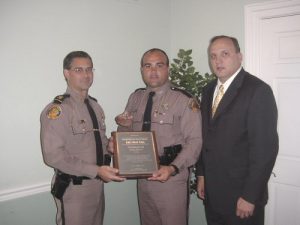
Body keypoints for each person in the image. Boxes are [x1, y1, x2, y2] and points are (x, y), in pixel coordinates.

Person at [196, 35, 279, 225]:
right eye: (213, 56)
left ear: (239, 56)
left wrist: (250, 196)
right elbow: (205, 136)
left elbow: (265, 150)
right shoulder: (208, 90)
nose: (218, 61)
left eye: (225, 54)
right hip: (213, 194)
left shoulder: (258, 90)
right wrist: (201, 174)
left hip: (241, 198)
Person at [114, 48, 203, 225]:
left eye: (159, 65)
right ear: (142, 70)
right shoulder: (135, 97)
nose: (153, 71)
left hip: (171, 178)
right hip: (142, 176)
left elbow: (195, 141)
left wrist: (172, 168)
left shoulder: (184, 100)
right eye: (148, 66)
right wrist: (118, 138)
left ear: (167, 68)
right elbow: (127, 136)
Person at [40, 51, 125, 225]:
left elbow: (97, 142)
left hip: (96, 185)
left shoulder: (95, 106)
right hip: (74, 188)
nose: (86, 75)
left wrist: (110, 147)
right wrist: (96, 171)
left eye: (89, 69)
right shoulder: (58, 110)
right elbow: (53, 156)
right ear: (66, 73)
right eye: (78, 69)